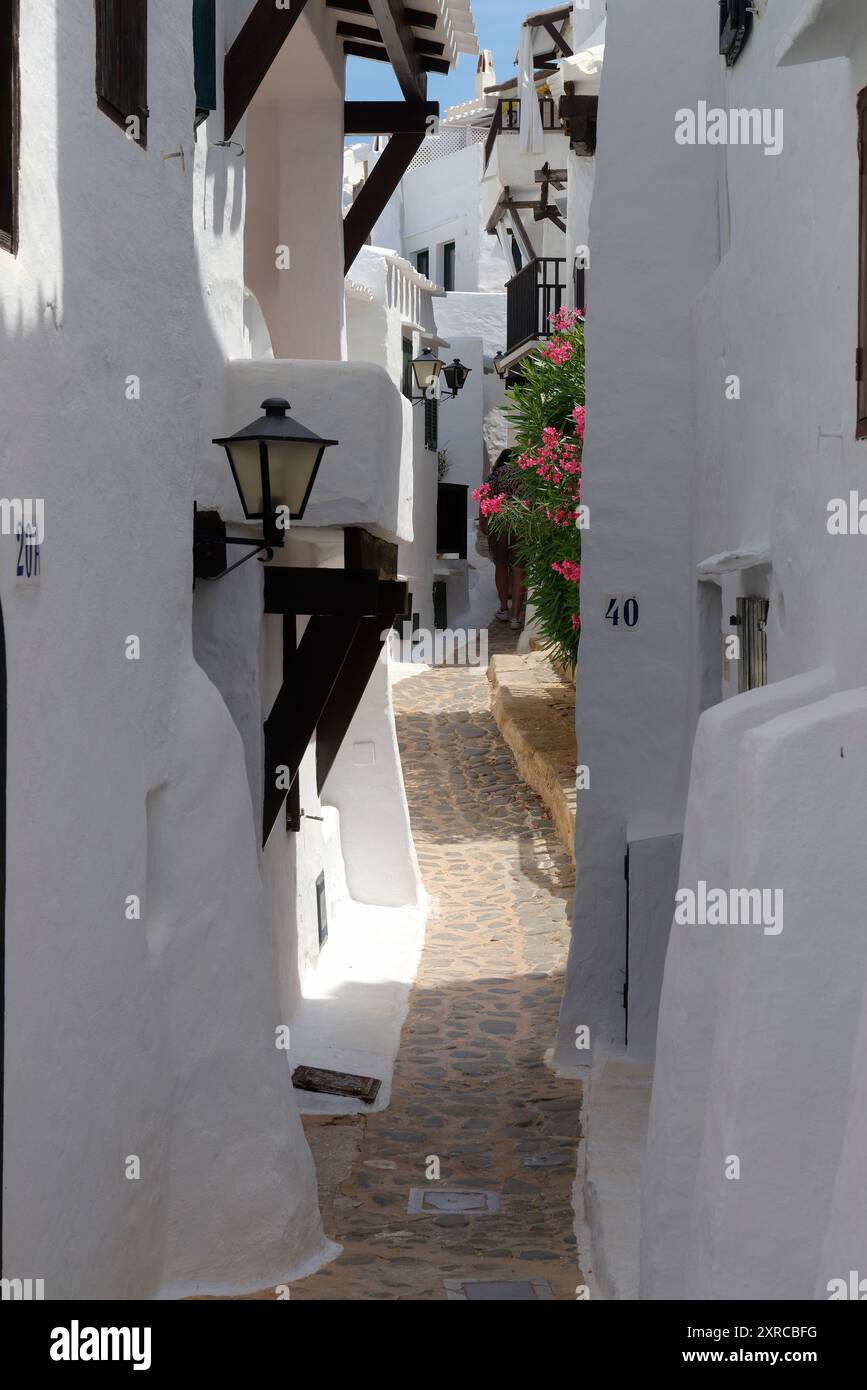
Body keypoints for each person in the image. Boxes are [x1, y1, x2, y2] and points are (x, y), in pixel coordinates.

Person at [479, 449, 525, 630]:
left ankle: (504, 609)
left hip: (499, 525)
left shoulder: (495, 476)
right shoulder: (524, 477)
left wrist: (483, 523)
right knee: (519, 570)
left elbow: (484, 500)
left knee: (500, 566)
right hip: (521, 525)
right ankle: (515, 618)